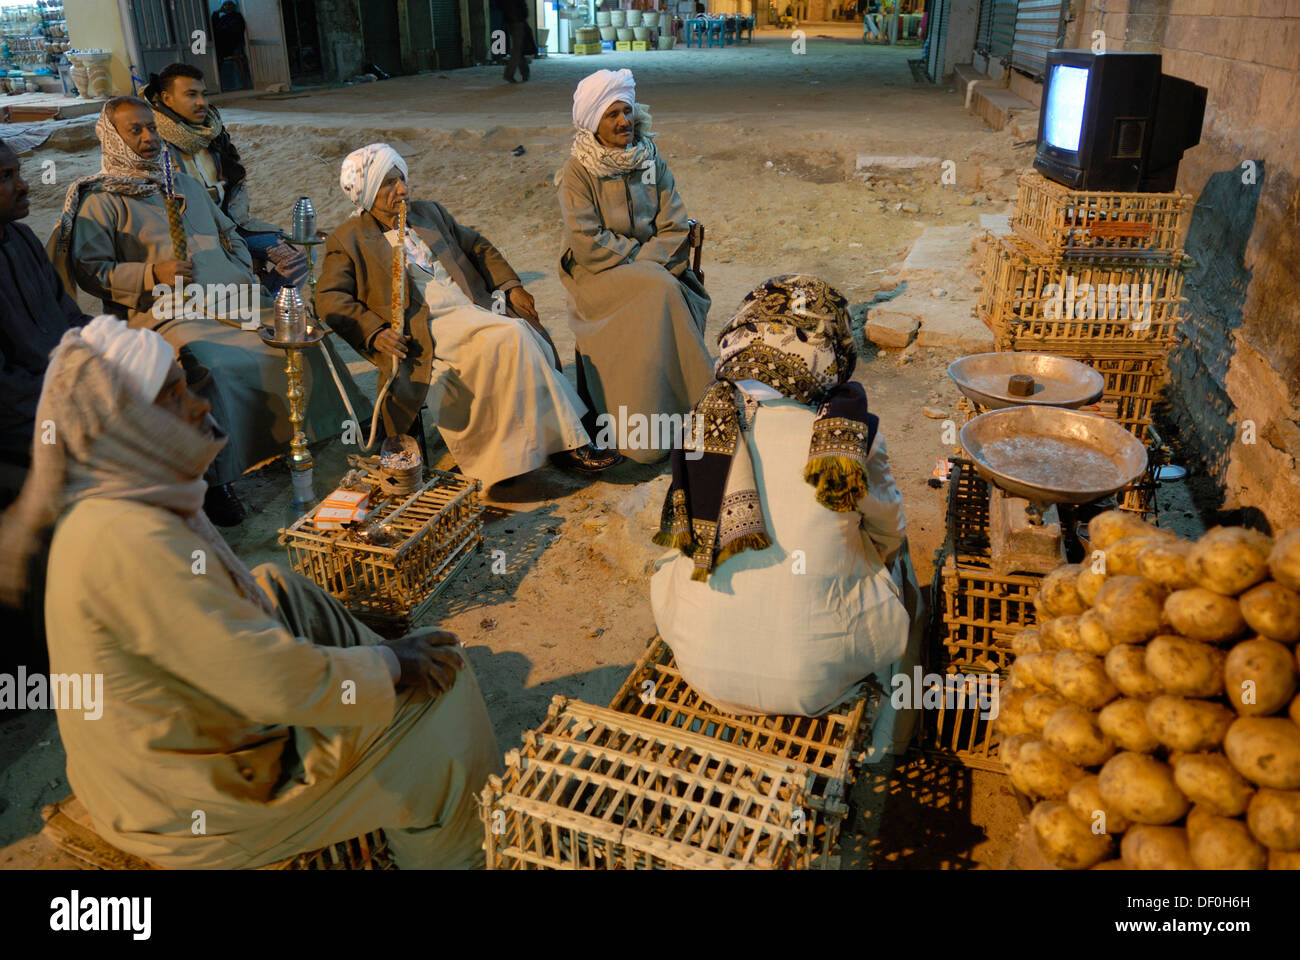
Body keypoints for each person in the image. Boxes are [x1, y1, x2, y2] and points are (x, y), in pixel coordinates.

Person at [0, 315, 500, 868]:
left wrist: (378, 667)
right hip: (192, 804)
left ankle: (367, 716)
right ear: (127, 424)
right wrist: (390, 666)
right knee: (444, 698)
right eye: (172, 395)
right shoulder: (128, 538)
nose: (199, 407)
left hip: (171, 752)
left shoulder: (116, 497)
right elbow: (266, 681)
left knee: (277, 585)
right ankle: (453, 845)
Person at [48, 97, 370, 526]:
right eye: (135, 131)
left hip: (234, 297)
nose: (147, 138)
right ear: (113, 138)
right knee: (213, 367)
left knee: (303, 336)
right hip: (166, 310)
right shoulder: (100, 200)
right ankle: (217, 480)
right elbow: (91, 271)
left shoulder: (184, 182)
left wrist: (237, 269)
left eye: (151, 128)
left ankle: (314, 438)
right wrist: (152, 274)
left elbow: (228, 232)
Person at [649, 275, 924, 753]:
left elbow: (688, 529)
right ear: (831, 351)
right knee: (904, 572)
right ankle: (893, 739)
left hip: (703, 668)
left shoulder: (703, 421)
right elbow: (890, 534)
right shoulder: (851, 438)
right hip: (813, 678)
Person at [316, 143, 618, 491]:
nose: (402, 189)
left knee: (518, 334)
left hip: (470, 304)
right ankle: (566, 444)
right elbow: (328, 298)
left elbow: (478, 246)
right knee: (513, 336)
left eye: (401, 179)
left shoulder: (428, 213)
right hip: (424, 325)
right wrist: (374, 331)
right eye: (389, 184)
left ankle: (545, 447)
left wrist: (510, 286)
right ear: (368, 192)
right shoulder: (348, 238)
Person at [558, 69, 712, 464]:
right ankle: (702, 408)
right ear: (594, 122)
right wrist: (645, 266)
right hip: (597, 276)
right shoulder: (578, 172)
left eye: (627, 112)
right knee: (660, 290)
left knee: (662, 290)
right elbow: (587, 241)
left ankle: (676, 420)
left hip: (656, 270)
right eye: (612, 115)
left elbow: (674, 224)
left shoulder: (650, 158)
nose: (624, 122)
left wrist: (649, 264)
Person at [143, 62, 307, 294]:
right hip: (193, 237)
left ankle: (268, 308)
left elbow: (235, 185)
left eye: (203, 94)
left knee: (298, 254)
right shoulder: (154, 145)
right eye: (191, 95)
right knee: (232, 274)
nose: (201, 103)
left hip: (234, 227)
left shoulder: (213, 133)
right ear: (167, 98)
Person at [0, 139, 90, 474]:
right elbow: (6, 392)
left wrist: (120, 344)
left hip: (63, 387)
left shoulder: (22, 238)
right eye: (5, 177)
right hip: (24, 418)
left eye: (18, 173)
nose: (23, 186)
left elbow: (69, 316)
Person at [211, 0, 251, 90]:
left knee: (218, 54)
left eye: (230, 4)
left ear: (234, 6)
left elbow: (229, 31)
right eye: (225, 4)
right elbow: (213, 27)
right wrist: (217, 12)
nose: (227, 6)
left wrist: (219, 32)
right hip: (223, 47)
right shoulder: (223, 18)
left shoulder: (237, 17)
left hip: (232, 46)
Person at [497, 0, 535, 84]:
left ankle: (525, 73)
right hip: (517, 20)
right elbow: (521, 5)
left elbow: (500, 5)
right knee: (518, 49)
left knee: (518, 48)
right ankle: (509, 74)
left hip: (511, 20)